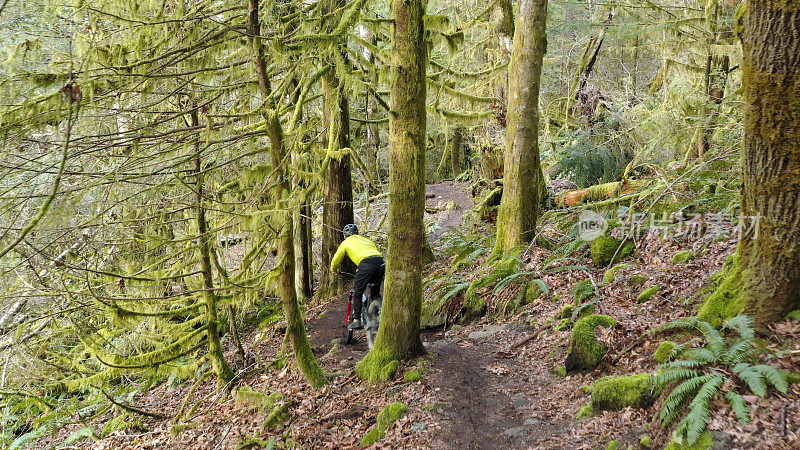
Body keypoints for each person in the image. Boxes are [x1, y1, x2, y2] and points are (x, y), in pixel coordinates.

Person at [330, 224, 385, 330]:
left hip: (366, 264)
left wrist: (334, 270)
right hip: (380, 262)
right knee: (375, 292)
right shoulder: (366, 240)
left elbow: (336, 259)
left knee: (358, 292)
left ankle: (357, 321)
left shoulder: (346, 242)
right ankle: (380, 312)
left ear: (345, 236)